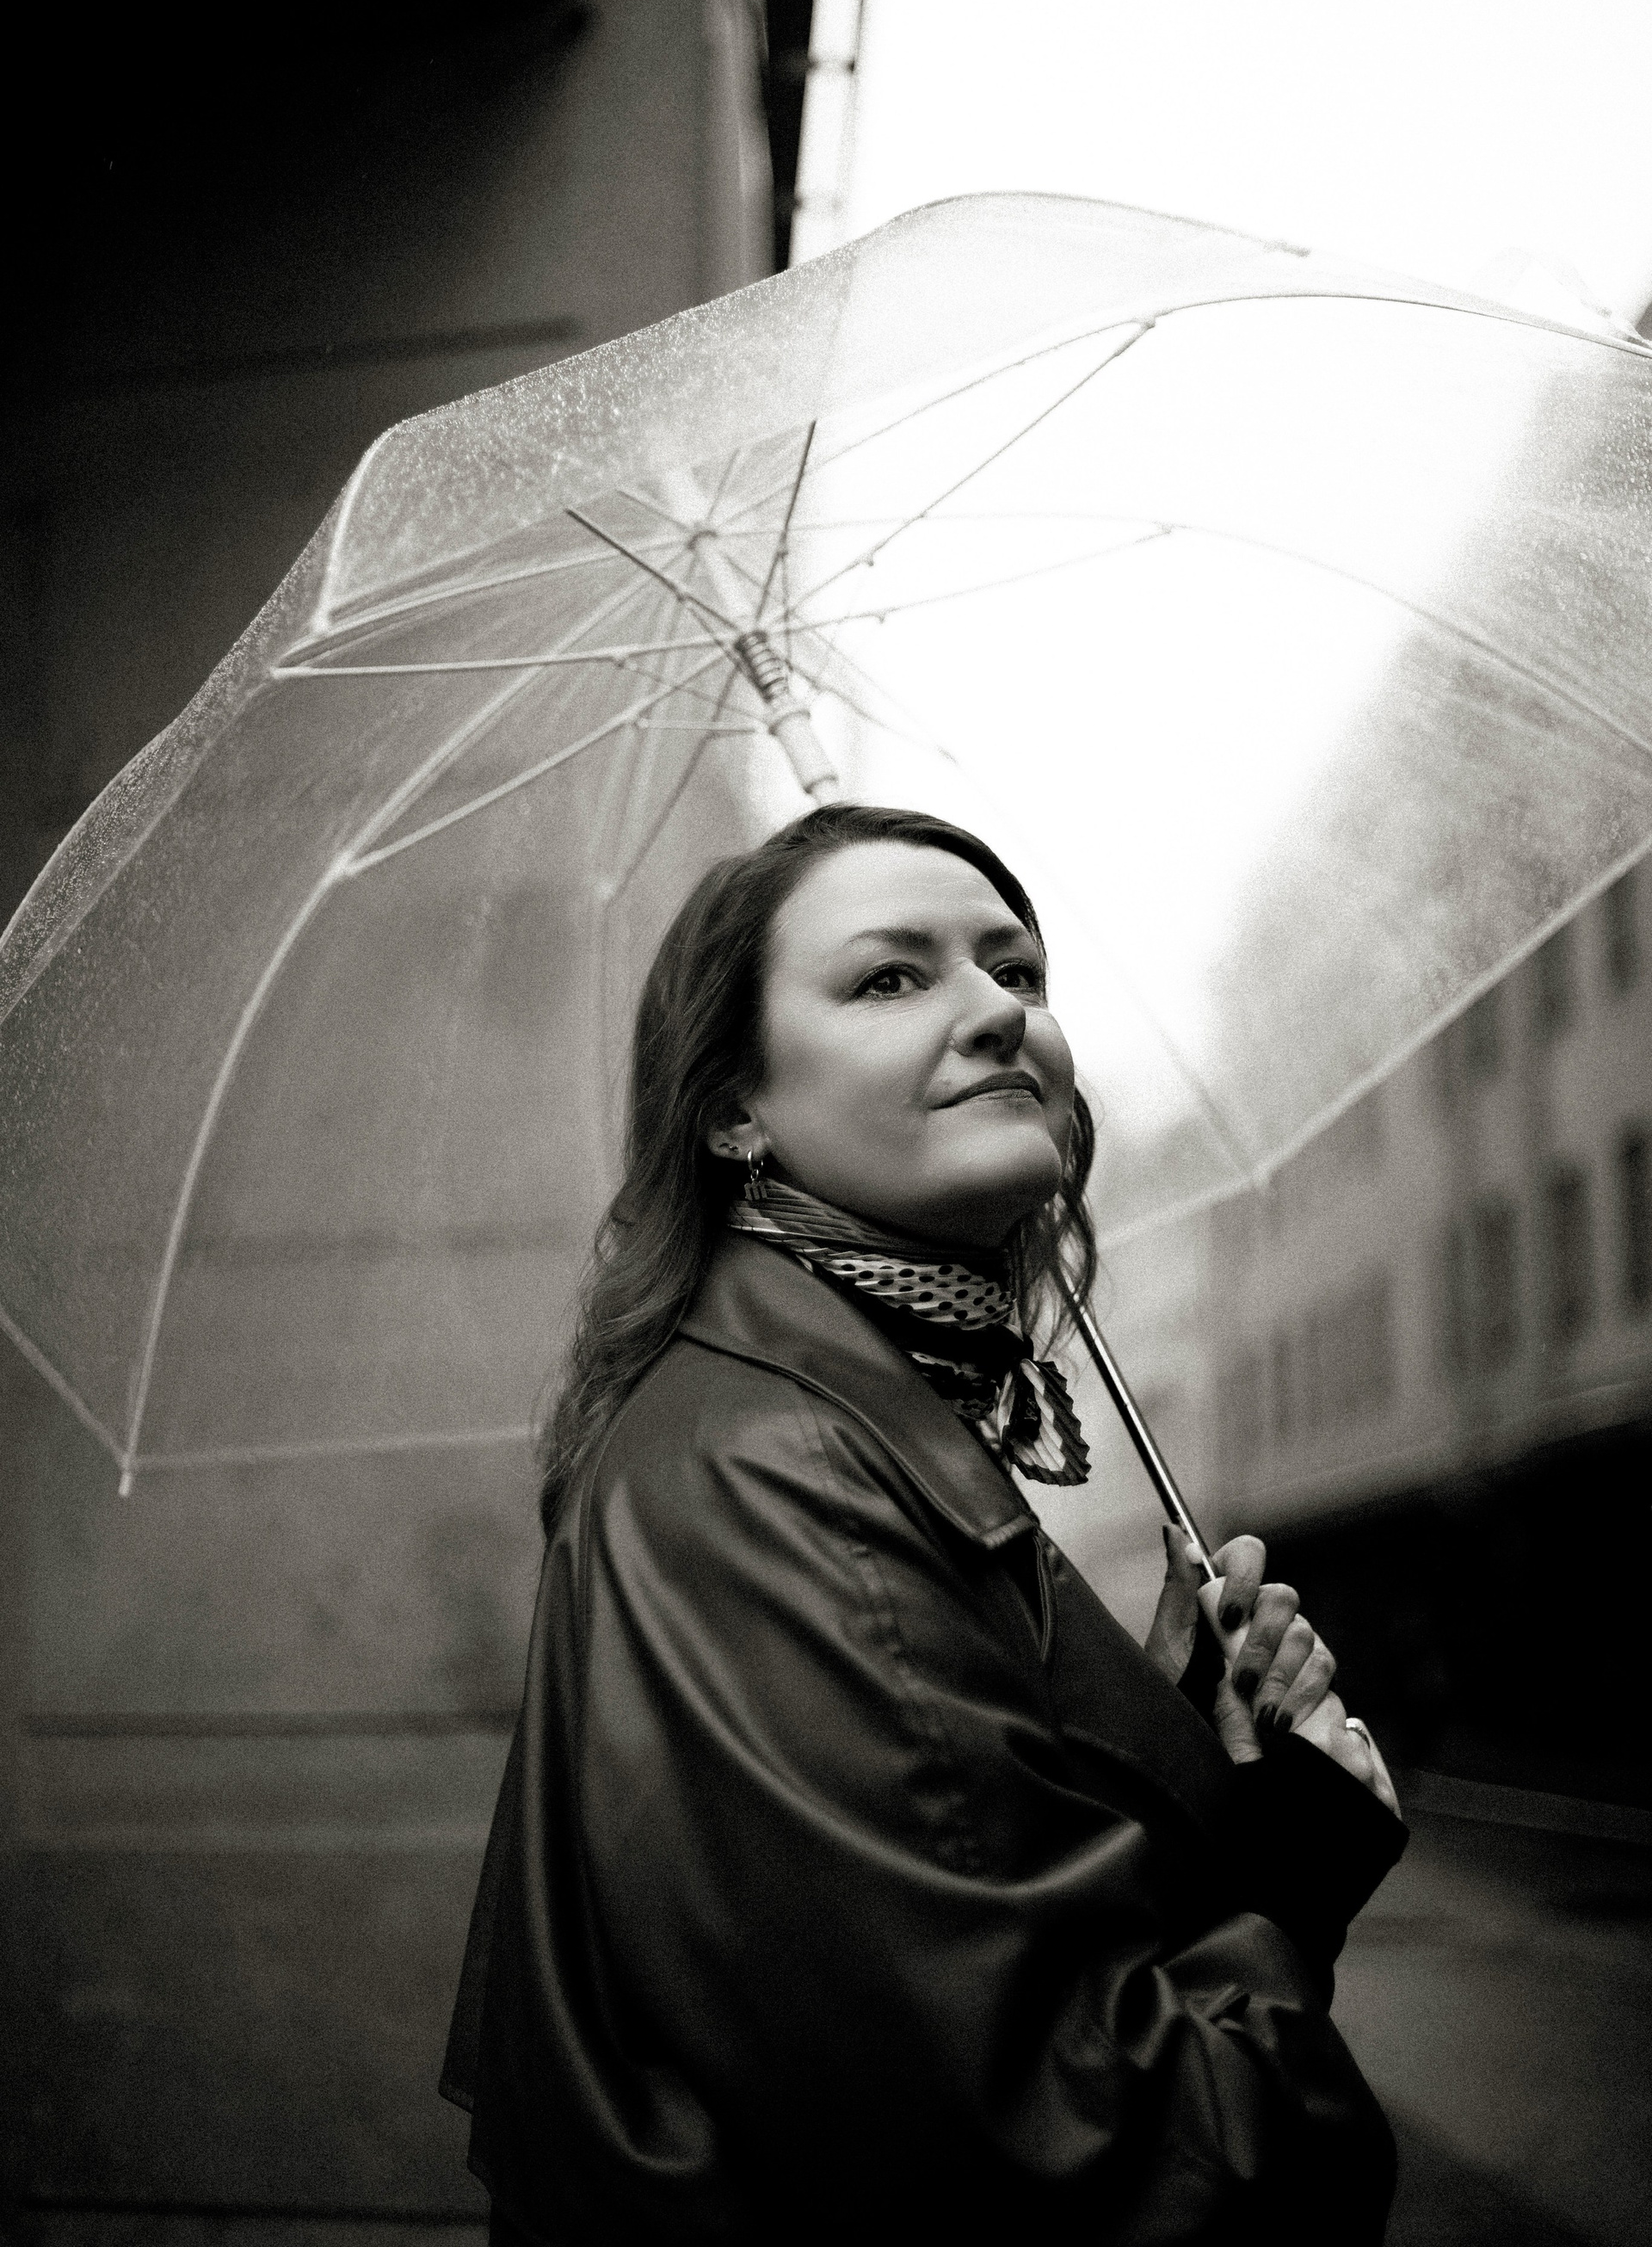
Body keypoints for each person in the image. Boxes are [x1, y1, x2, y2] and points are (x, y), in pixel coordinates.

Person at [442, 803, 1407, 2245]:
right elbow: (1092, 2162)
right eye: (889, 978)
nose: (1000, 1014)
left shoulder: (838, 1419)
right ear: (734, 1109)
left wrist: (1168, 1759)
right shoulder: (785, 1475)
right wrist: (1290, 1877)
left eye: (1015, 971)